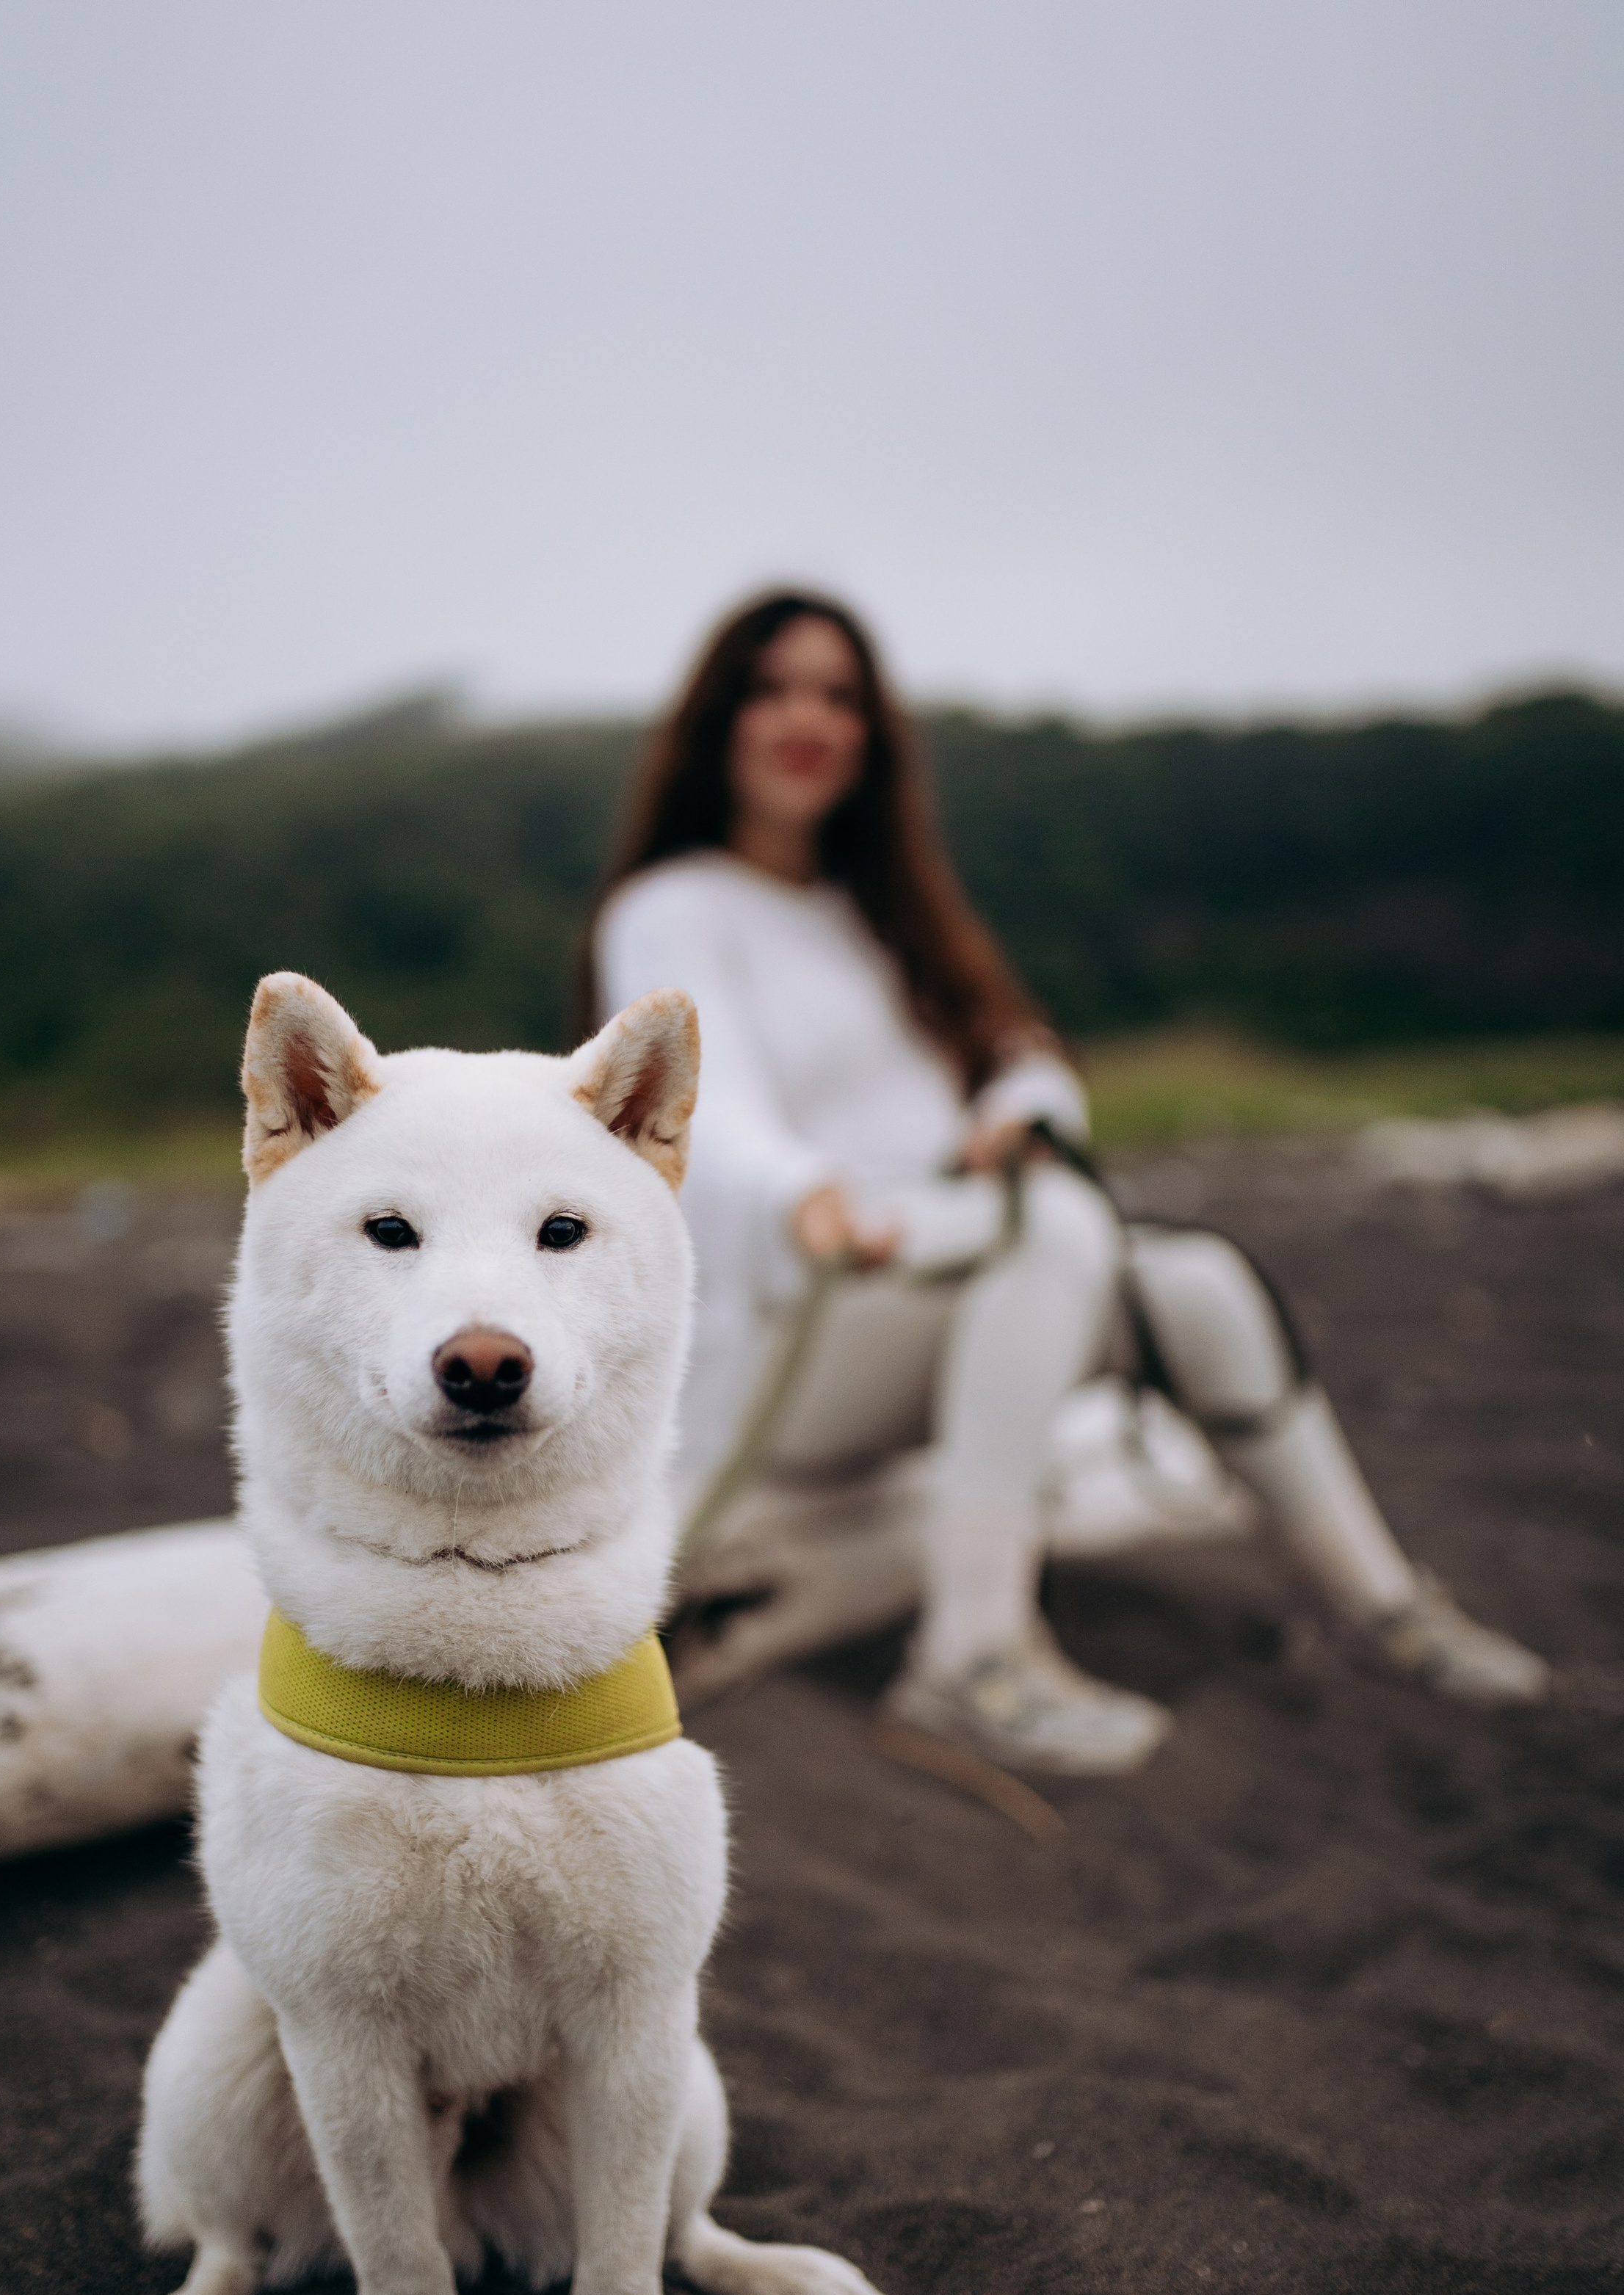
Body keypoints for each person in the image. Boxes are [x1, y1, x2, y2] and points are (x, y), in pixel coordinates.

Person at [585, 590, 1546, 1775]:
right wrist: (798, 1194)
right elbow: (701, 1105)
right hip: (804, 1317)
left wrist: (1025, 1118)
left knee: (1194, 1283)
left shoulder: (887, 912)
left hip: (955, 1273)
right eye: (774, 689)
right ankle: (973, 1657)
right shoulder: (671, 907)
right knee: (1056, 1234)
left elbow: (1023, 1058)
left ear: (873, 733)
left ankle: (1390, 1610)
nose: (807, 718)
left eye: (838, 696)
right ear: (719, 719)